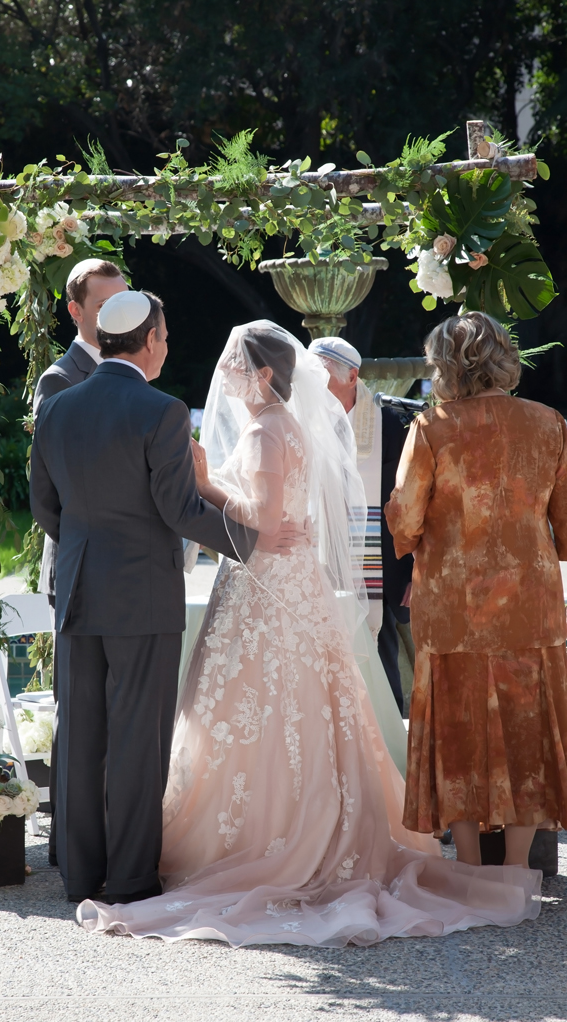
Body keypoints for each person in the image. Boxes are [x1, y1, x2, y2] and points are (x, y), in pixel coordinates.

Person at [78, 320, 540, 947]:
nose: (226, 375)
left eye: (236, 366)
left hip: (267, 582)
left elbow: (266, 522)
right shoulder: (284, 426)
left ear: (264, 374)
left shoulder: (265, 432)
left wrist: (205, 482)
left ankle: (265, 837)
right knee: (297, 707)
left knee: (261, 706)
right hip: (290, 582)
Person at [30, 293, 299, 904]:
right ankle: (129, 878)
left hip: (77, 589)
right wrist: (253, 541)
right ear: (148, 340)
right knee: (137, 739)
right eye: (167, 337)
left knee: (80, 735)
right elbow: (179, 510)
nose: (168, 347)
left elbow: (46, 507)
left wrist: (89, 549)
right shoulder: (163, 410)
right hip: (143, 595)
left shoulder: (58, 406)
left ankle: (79, 876)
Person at [386, 312, 567, 869]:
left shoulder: (432, 427)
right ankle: (515, 870)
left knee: (457, 725)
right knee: (526, 728)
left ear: (446, 365)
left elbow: (405, 516)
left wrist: (413, 539)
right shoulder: (549, 423)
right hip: (530, 599)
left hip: (453, 601)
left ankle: (468, 865)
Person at [32, 257, 127, 866]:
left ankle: (110, 836)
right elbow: (49, 495)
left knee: (116, 715)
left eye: (124, 301)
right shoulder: (60, 379)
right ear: (75, 311)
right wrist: (88, 548)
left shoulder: (134, 372)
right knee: (81, 709)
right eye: (104, 305)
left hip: (124, 571)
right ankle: (71, 842)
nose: (118, 314)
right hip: (80, 569)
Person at [309, 337, 414, 714]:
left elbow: (415, 502)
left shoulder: (392, 424)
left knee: (381, 657)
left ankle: (387, 736)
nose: (310, 381)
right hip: (319, 557)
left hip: (379, 565)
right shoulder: (304, 421)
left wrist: (415, 570)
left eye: (319, 373)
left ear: (352, 376)